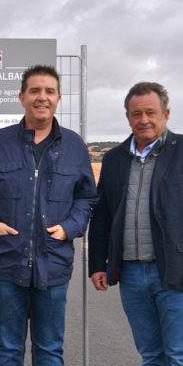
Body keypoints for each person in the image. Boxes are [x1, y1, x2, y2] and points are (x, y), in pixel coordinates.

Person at [0, 64, 98, 365]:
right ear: (22, 97)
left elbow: (87, 197)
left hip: (54, 263)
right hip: (7, 262)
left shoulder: (75, 147)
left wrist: (70, 227)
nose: (42, 97)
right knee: (9, 349)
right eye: (35, 91)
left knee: (50, 350)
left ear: (58, 98)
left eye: (49, 91)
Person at [89, 82, 183, 365]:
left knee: (178, 355)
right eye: (136, 113)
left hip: (175, 272)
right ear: (128, 117)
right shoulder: (114, 158)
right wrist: (97, 264)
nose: (144, 120)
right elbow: (102, 214)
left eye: (151, 112)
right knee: (150, 354)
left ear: (166, 114)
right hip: (130, 273)